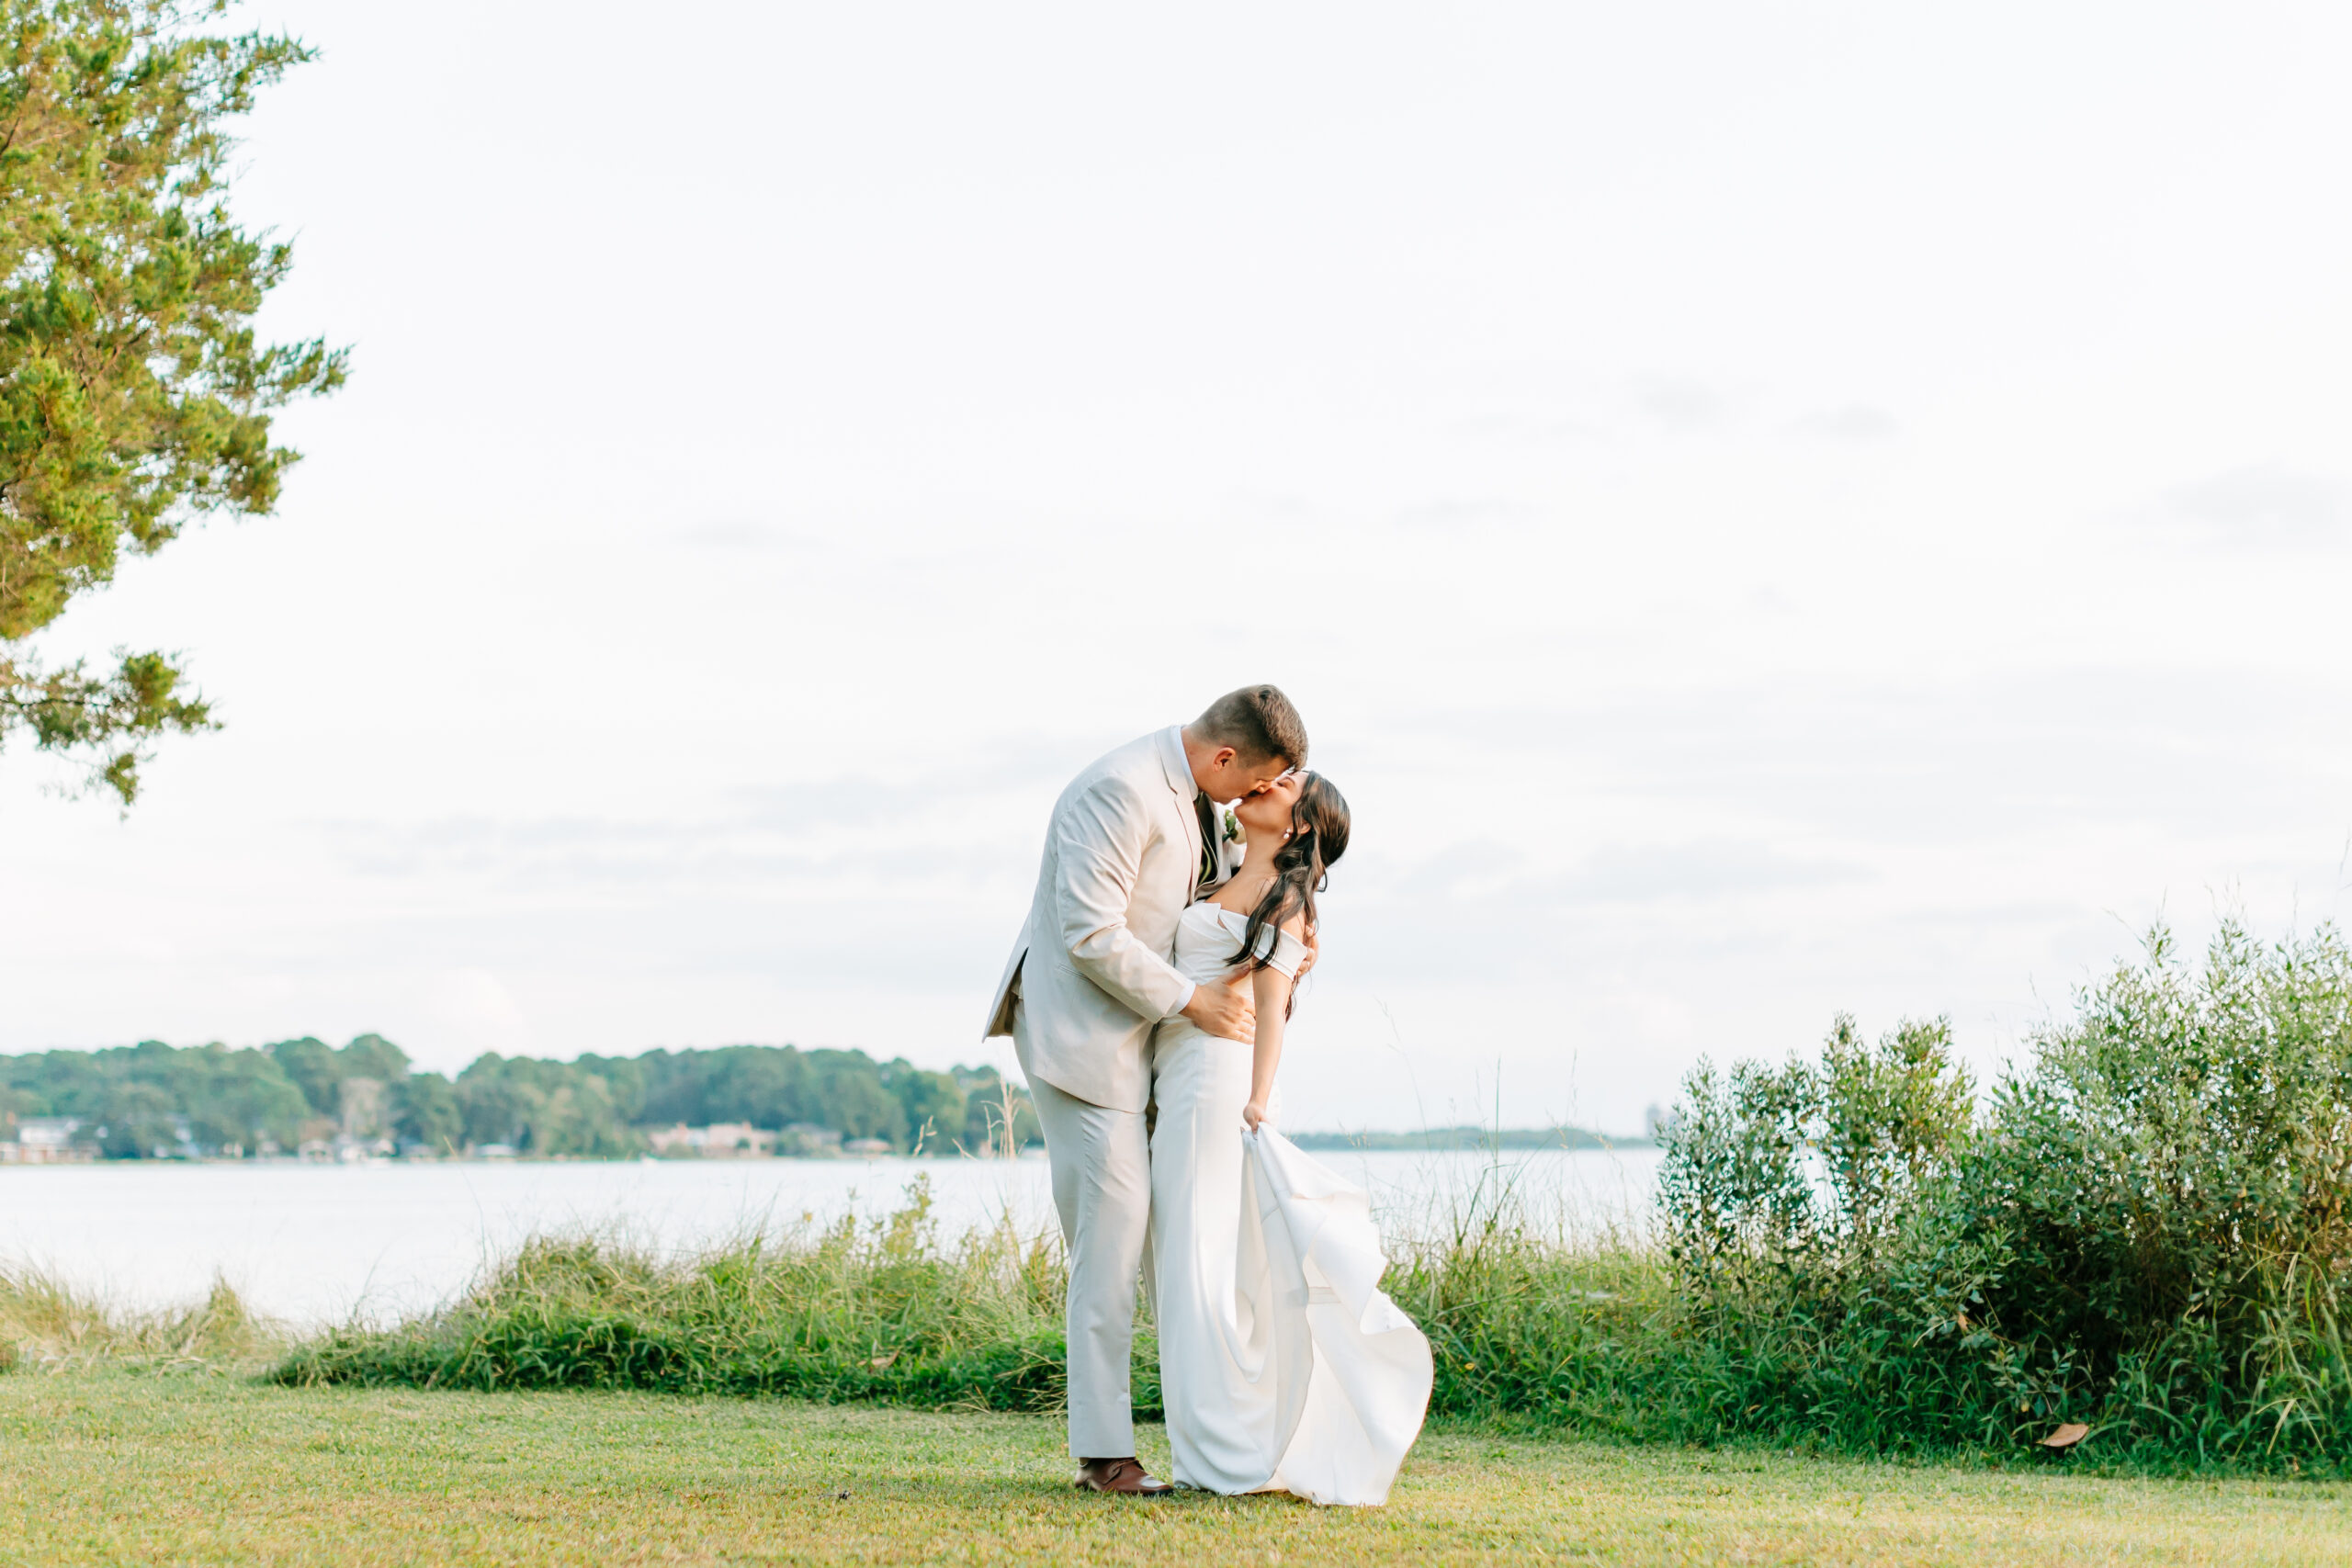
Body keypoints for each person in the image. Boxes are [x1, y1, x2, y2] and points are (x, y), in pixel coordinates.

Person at [983, 684, 1307, 1495]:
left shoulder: (1200, 795)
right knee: (1114, 1228)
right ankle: (1103, 1452)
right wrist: (1194, 1001)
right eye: (1251, 784)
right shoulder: (1117, 789)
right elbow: (1090, 933)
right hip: (1084, 1040)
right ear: (1225, 756)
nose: (1248, 802)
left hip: (1153, 1051)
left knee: (1170, 1236)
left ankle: (1216, 1423)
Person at [1148, 770, 1432, 1505]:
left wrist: (1259, 1102)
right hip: (1175, 1072)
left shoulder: (1289, 903)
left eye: (1287, 782)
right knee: (1182, 1260)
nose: (1266, 781)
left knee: (1202, 1258)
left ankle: (1220, 1455)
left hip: (1218, 1082)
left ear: (1301, 822)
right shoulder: (1217, 872)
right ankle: (1212, 1443)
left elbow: (1270, 1010)